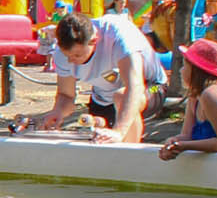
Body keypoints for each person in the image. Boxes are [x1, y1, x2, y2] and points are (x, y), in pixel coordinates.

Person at [25, 9, 162, 144]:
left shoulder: (119, 37)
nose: (71, 61)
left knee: (121, 97)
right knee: (99, 132)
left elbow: (135, 88)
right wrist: (58, 112)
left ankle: (130, 158)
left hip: (154, 88)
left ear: (94, 41)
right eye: (67, 55)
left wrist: (119, 131)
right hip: (103, 98)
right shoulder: (61, 54)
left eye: (77, 55)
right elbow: (66, 96)